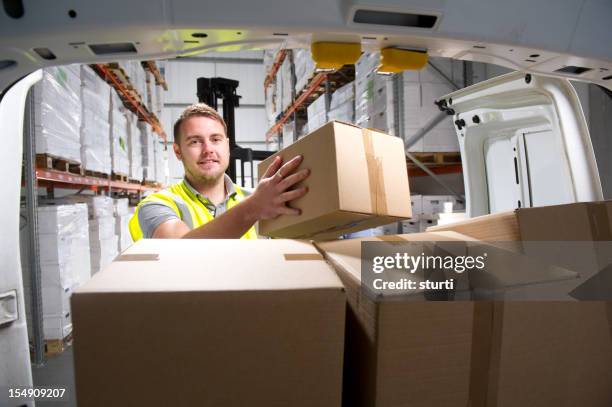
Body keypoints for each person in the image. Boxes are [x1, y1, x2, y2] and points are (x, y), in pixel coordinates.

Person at [128, 103, 309, 240]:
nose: (208, 149)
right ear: (177, 151)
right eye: (195, 141)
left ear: (227, 146)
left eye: (215, 139)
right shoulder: (157, 204)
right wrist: (254, 207)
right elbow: (180, 253)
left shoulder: (260, 200)